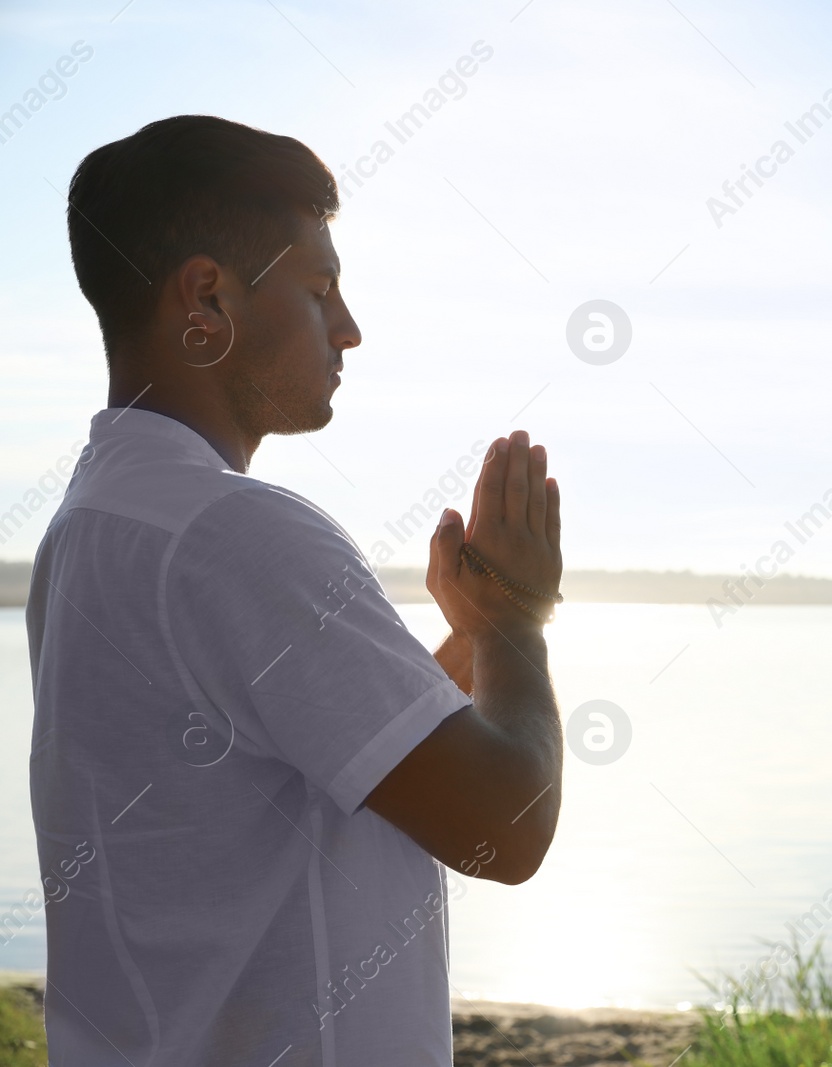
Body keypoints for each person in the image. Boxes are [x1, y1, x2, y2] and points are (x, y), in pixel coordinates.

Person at [26, 114, 564, 1065]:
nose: (350, 327)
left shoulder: (96, 522)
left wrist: (471, 636)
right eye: (320, 290)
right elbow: (502, 827)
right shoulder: (236, 532)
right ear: (206, 298)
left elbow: (325, 748)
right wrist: (518, 622)